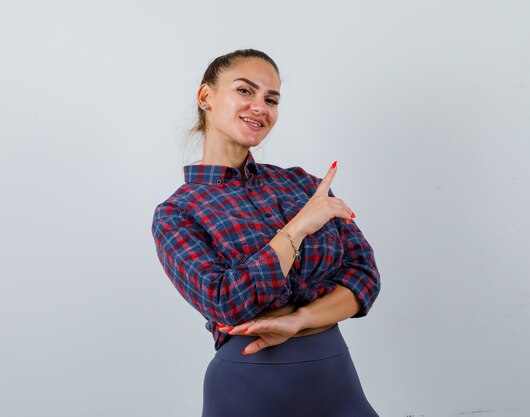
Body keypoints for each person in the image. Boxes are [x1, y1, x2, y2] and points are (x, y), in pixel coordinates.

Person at [151, 49, 381, 417]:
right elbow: (226, 302)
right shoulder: (177, 213)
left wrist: (299, 320)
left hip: (337, 379)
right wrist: (299, 226)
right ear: (206, 97)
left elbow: (364, 276)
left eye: (271, 99)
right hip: (249, 386)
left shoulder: (303, 184)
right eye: (245, 91)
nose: (260, 106)